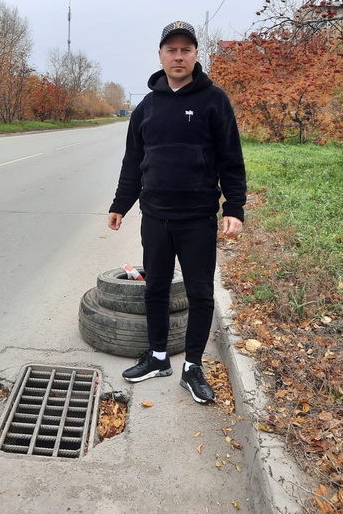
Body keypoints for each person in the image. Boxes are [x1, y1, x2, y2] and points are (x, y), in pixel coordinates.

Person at [107, 20, 247, 403]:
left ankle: (193, 366)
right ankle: (157, 356)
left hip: (198, 217)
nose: (179, 56)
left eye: (186, 49)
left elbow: (231, 159)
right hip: (155, 215)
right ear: (161, 55)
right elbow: (133, 162)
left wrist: (234, 207)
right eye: (172, 49)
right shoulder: (147, 107)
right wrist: (121, 204)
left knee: (200, 293)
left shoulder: (214, 100)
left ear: (196, 55)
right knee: (155, 287)